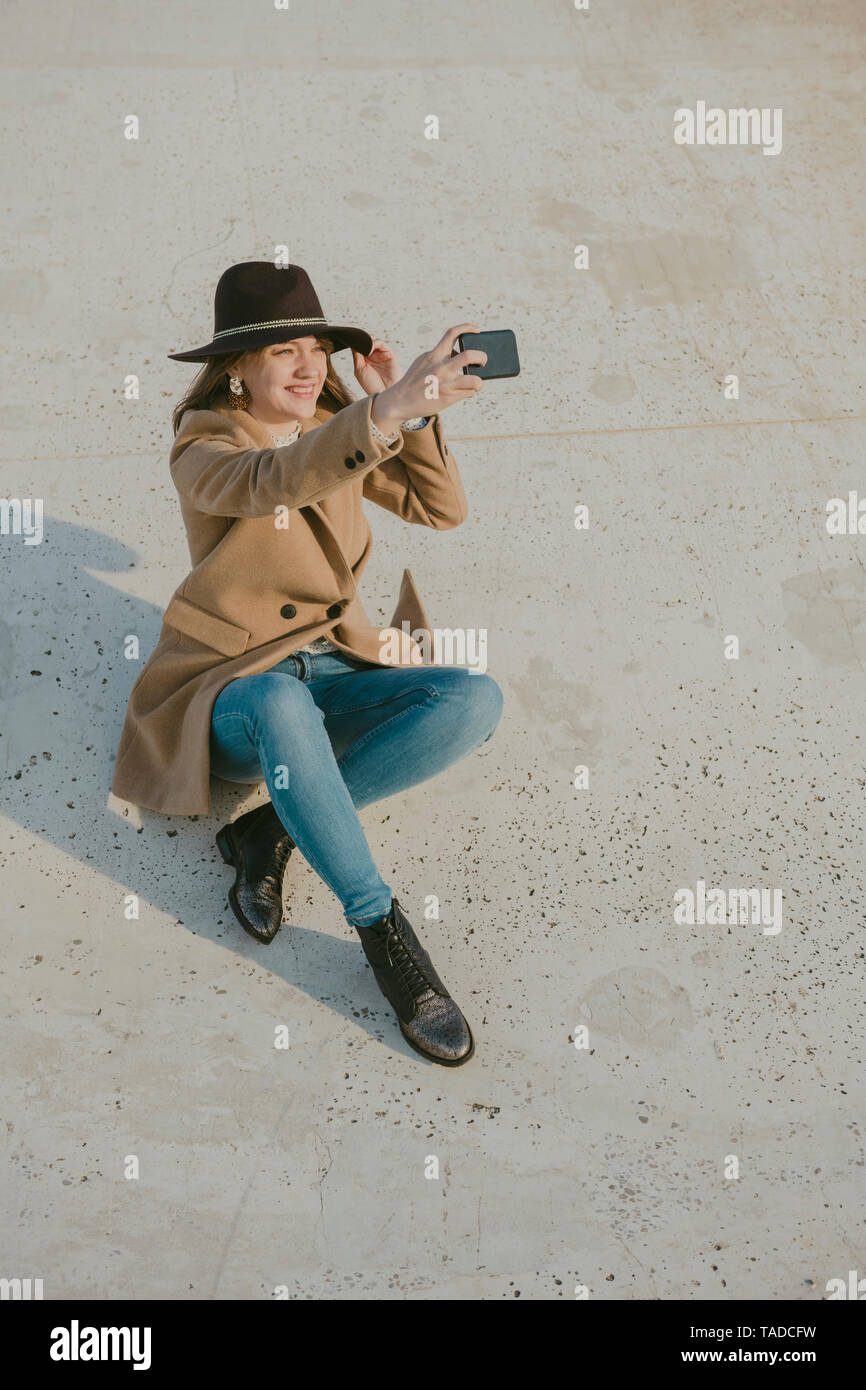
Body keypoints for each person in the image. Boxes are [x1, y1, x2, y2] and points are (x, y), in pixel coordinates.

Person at [111, 261, 504, 1066]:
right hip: (233, 686)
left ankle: (270, 831)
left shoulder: (338, 420)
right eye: (283, 349)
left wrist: (416, 417)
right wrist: (381, 412)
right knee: (283, 709)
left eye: (316, 348)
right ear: (235, 370)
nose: (306, 365)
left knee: (475, 699)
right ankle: (384, 937)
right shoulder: (205, 446)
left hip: (334, 667)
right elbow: (274, 482)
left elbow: (441, 509)